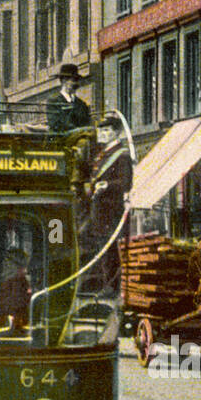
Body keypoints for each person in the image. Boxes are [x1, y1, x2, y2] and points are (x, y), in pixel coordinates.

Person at [80, 111, 134, 296]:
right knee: (98, 246)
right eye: (100, 130)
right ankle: (99, 282)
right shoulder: (102, 155)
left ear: (116, 133)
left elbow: (126, 183)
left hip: (111, 211)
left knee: (110, 250)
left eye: (106, 130)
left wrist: (108, 185)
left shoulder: (121, 155)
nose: (102, 133)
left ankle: (112, 287)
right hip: (99, 210)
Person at [0, 250, 32, 331]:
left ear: (15, 266)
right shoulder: (8, 281)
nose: (4, 265)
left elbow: (11, 307)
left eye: (7, 262)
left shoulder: (17, 283)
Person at [46, 63, 93, 132]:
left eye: (77, 80)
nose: (76, 84)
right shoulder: (54, 101)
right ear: (63, 81)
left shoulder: (81, 104)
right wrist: (75, 130)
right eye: (73, 80)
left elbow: (87, 122)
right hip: (61, 138)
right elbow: (55, 124)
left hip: (80, 135)